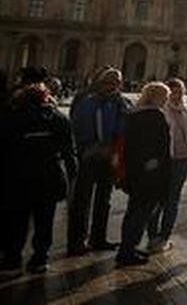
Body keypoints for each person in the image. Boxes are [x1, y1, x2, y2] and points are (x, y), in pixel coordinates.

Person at [0, 83, 77, 274]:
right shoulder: (58, 118)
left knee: (17, 220)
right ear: (46, 97)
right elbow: (69, 152)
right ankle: (39, 259)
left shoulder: (11, 118)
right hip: (49, 177)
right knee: (45, 220)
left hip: (17, 178)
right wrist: (72, 176)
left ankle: (12, 260)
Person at [67, 67, 130, 256]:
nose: (113, 85)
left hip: (110, 157)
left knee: (104, 199)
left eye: (116, 81)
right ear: (101, 83)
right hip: (89, 156)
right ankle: (77, 241)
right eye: (109, 81)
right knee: (82, 200)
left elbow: (125, 127)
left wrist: (115, 149)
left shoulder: (122, 103)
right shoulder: (88, 101)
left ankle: (98, 237)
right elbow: (78, 125)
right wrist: (92, 147)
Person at [116, 82, 171, 267]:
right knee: (142, 212)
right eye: (165, 97)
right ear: (157, 97)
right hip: (150, 175)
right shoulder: (155, 117)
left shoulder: (134, 114)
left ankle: (127, 247)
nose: (166, 100)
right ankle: (127, 251)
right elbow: (160, 148)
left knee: (133, 210)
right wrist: (157, 167)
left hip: (134, 171)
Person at [146, 78, 187, 254]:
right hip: (163, 160)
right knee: (157, 199)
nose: (177, 96)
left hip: (182, 159)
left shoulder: (186, 111)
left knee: (173, 199)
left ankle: (164, 235)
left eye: (180, 92)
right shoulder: (161, 110)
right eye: (174, 92)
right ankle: (152, 235)